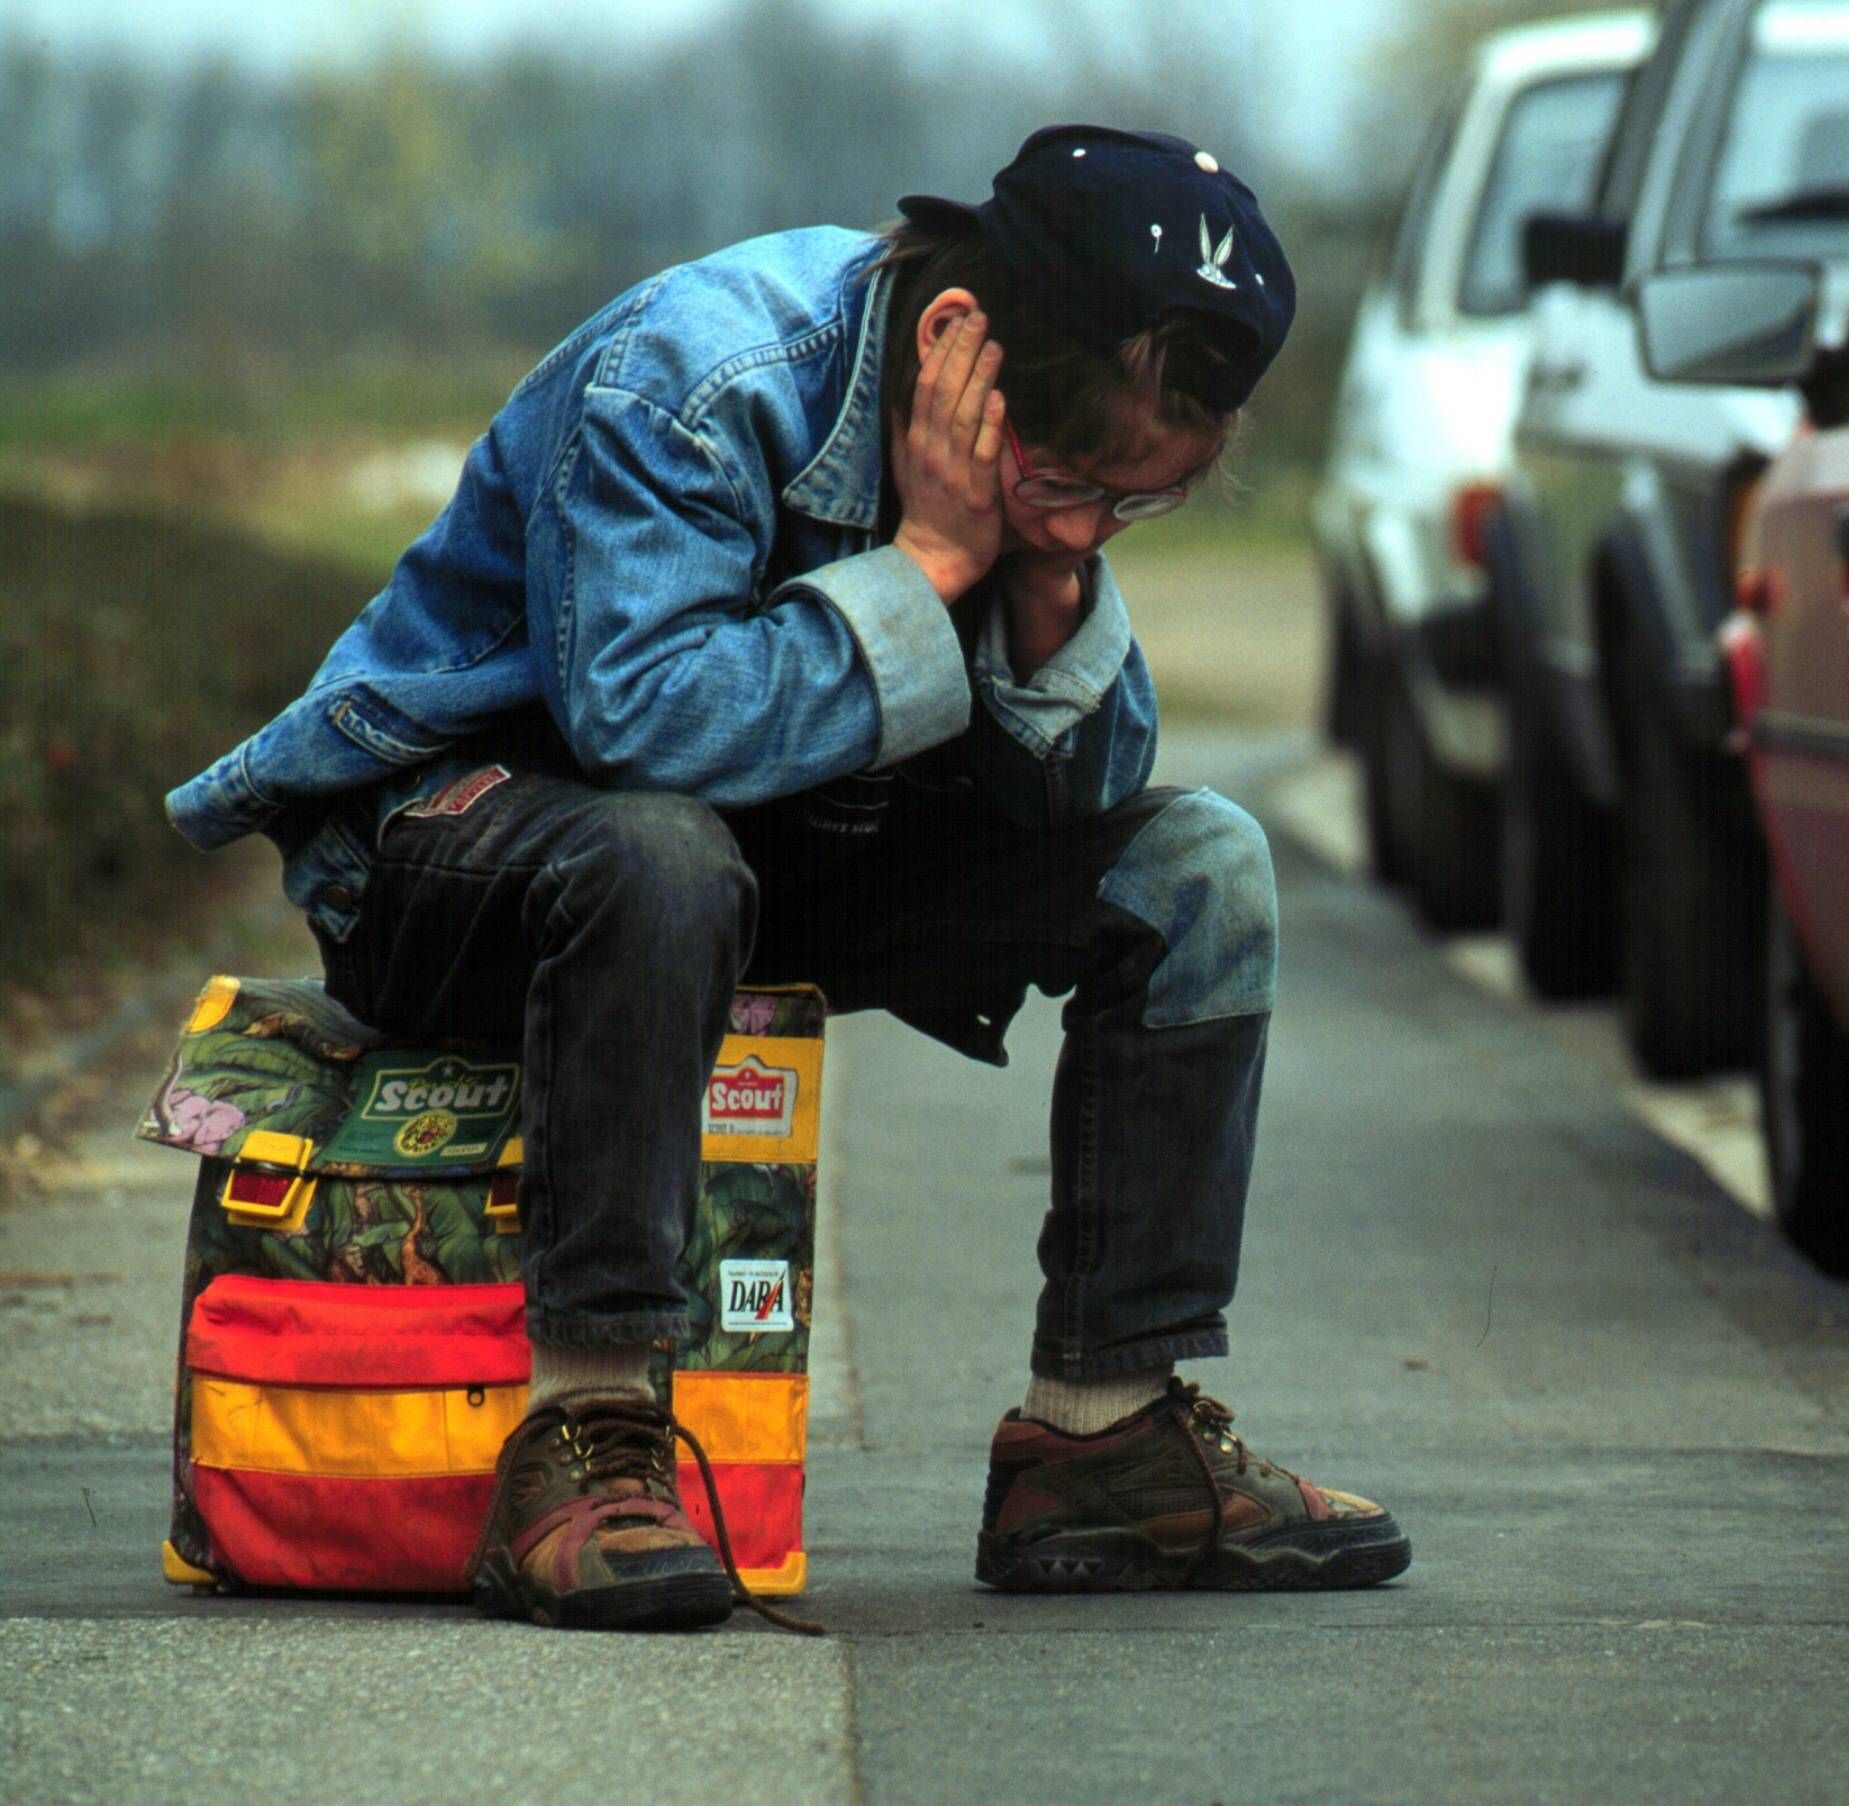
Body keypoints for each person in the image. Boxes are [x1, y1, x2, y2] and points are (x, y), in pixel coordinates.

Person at [164, 124, 1410, 1631]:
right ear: (959, 340)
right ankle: (586, 1433)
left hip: (764, 862)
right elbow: (643, 723)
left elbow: (1084, 782)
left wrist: (1046, 579)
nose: (1079, 518)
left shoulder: (1033, 458)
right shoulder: (694, 375)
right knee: (656, 848)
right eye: (1067, 480)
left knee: (1197, 862)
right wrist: (934, 566)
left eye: (1127, 507)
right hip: (455, 853)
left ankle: (1103, 1431)